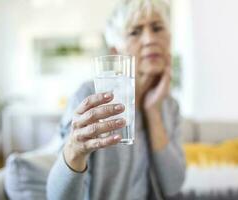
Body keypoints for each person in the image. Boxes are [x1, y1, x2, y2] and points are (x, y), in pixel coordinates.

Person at [47, 0, 185, 199]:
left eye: (157, 28)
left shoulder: (170, 106)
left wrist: (153, 111)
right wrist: (73, 151)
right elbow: (57, 197)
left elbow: (173, 185)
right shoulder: (91, 95)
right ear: (115, 51)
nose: (149, 39)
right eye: (135, 32)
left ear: (169, 39)